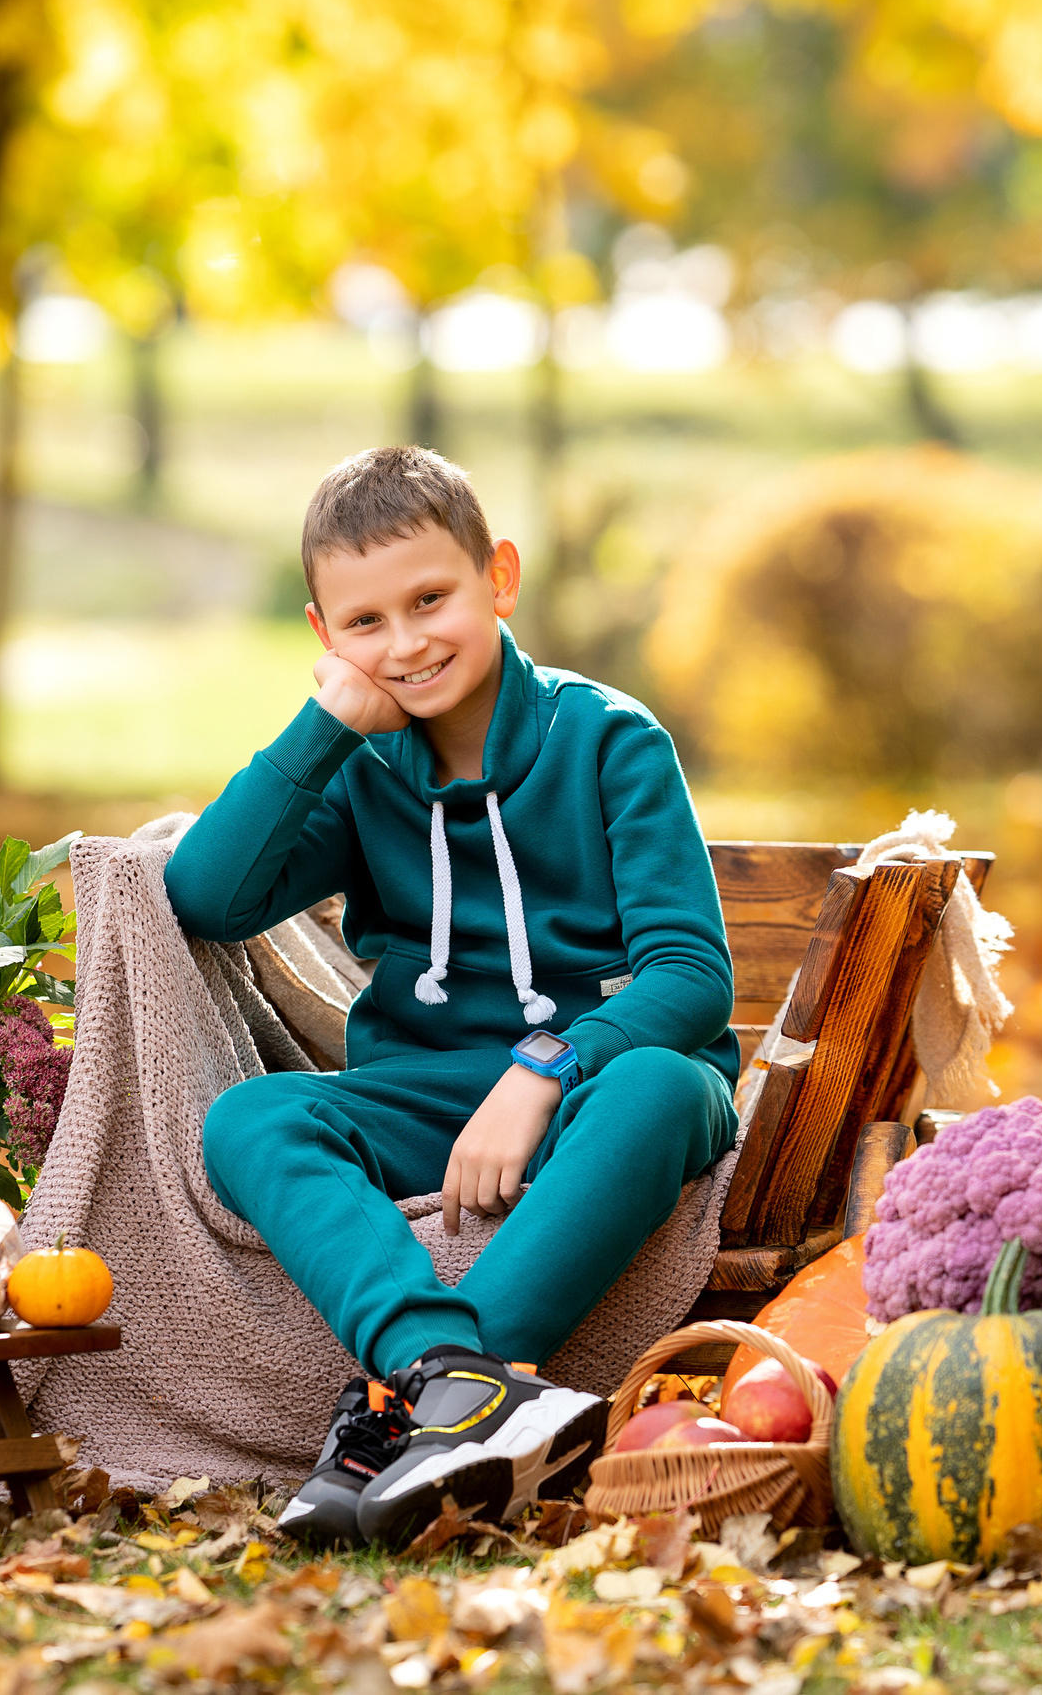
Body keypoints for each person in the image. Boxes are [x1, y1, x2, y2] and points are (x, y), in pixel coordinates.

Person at [165, 446, 738, 1549]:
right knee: (253, 1117)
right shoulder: (360, 767)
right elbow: (206, 894)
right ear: (324, 634)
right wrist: (324, 725)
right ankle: (453, 1379)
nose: (408, 641)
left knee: (662, 1086)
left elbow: (691, 977)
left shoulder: (609, 740)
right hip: (423, 1093)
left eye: (432, 599)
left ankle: (430, 1407)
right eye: (365, 621)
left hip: (603, 1085)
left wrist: (547, 1067)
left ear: (499, 579)